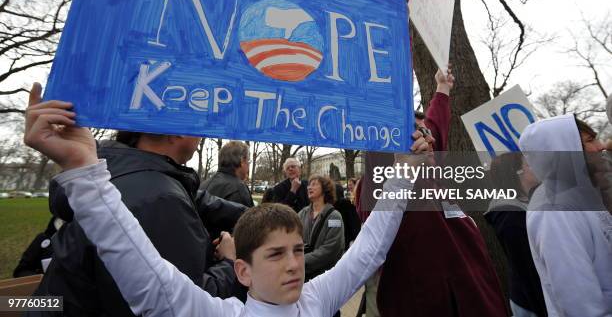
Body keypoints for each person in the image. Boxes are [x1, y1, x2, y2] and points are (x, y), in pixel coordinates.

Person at [23, 82, 430, 317]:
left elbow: (369, 250)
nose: (293, 265)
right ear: (243, 271)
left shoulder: (316, 299)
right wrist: (84, 173)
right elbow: (143, 271)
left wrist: (407, 170)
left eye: (297, 250)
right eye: (274, 255)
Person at [30, 129, 243, 316]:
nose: (202, 134)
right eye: (198, 125)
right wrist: (229, 262)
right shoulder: (159, 199)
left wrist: (263, 213)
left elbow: (201, 199)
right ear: (178, 131)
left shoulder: (123, 169)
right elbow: (186, 304)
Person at [372, 66, 508, 317]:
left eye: (428, 134)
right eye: (419, 134)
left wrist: (442, 89)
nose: (430, 140)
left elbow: (435, 125)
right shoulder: (385, 190)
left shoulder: (434, 175)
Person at [521, 115, 612, 317]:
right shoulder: (554, 212)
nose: (599, 147)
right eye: (589, 141)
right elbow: (581, 305)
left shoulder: (581, 193)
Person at [485, 153, 547, 317]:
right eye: (528, 165)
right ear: (516, 173)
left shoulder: (523, 204)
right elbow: (527, 272)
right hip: (533, 303)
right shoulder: (510, 217)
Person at [298, 176, 344, 282]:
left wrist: (301, 260)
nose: (309, 187)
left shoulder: (334, 217)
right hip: (303, 275)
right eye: (309, 185)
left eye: (314, 184)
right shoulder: (302, 213)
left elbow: (330, 249)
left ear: (325, 189)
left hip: (323, 277)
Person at [202, 141, 254, 207]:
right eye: (248, 161)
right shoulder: (239, 189)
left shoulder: (203, 185)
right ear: (242, 161)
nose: (248, 166)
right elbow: (249, 216)